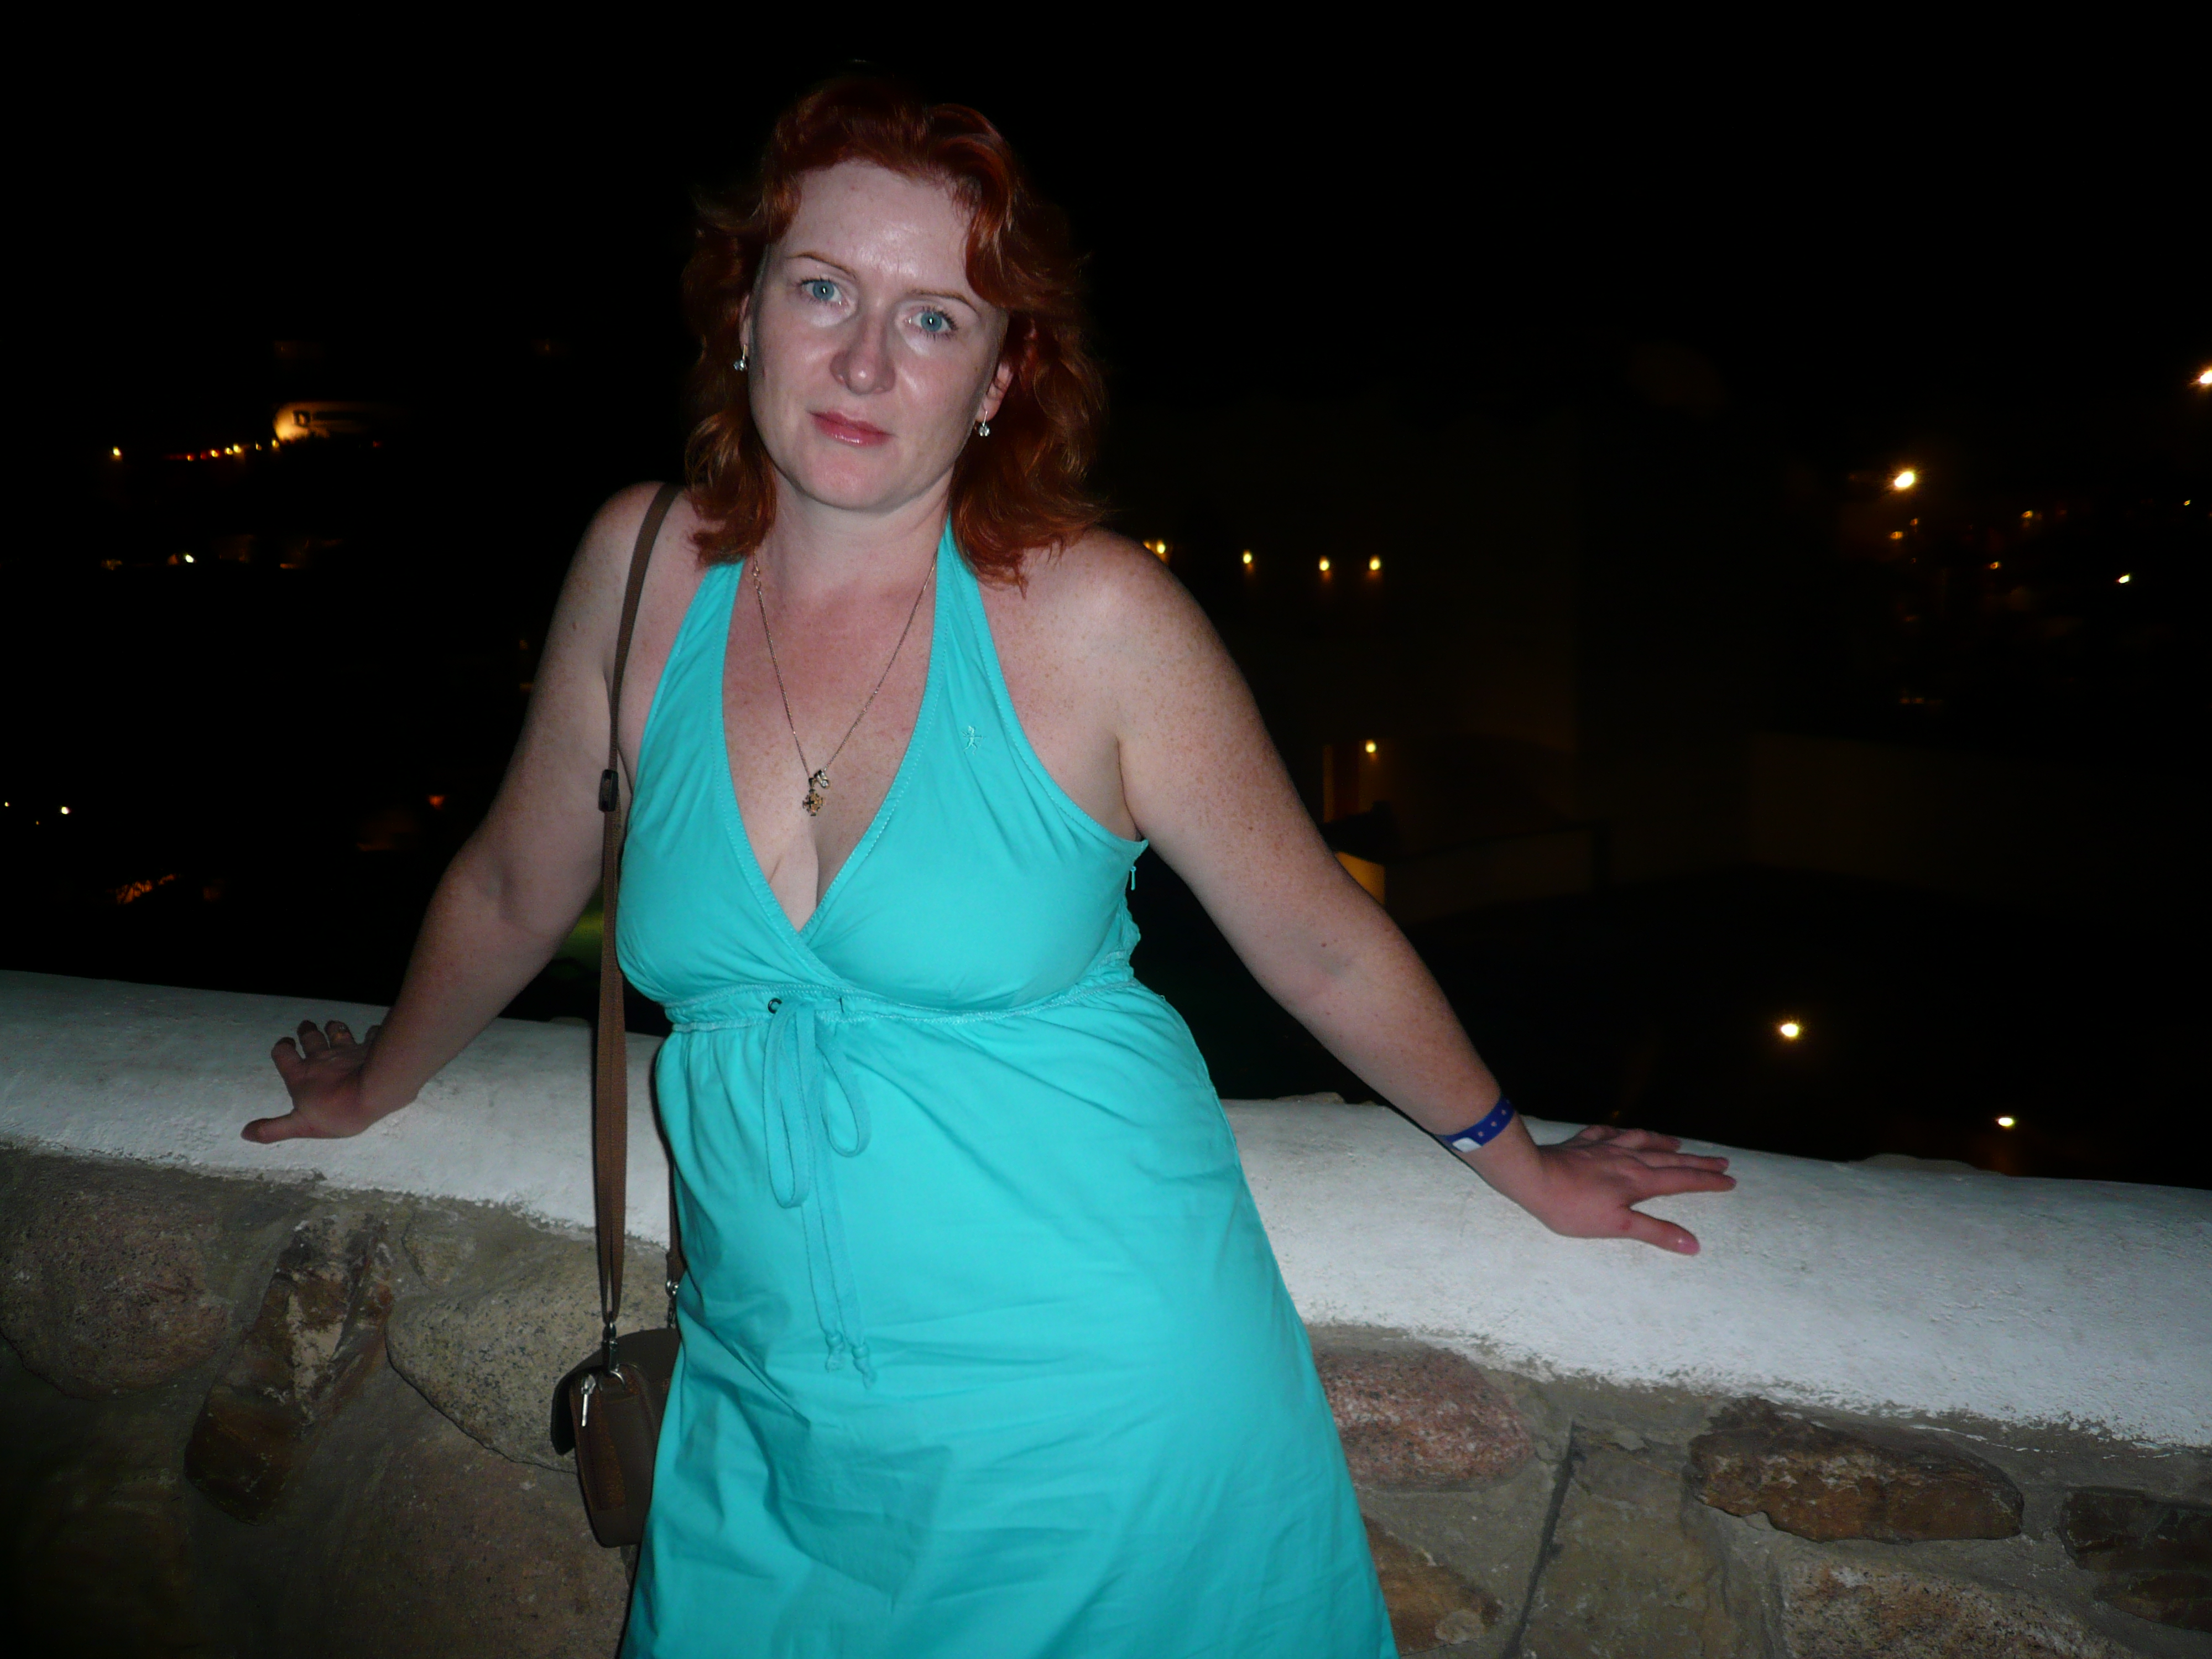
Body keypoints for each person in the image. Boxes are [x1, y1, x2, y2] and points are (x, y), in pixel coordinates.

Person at [249, 78, 1736, 1659]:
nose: (865, 362)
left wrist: (1523, 1163)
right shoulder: (641, 569)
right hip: (776, 1406)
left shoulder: (1094, 618)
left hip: (1106, 1401)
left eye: (935, 319)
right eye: (823, 290)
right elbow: (514, 882)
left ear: (1002, 376)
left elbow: (1323, 943)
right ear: (744, 313)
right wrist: (378, 1084)